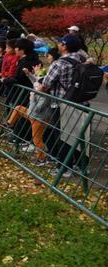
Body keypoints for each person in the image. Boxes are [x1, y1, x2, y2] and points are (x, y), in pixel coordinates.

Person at [38, 34, 86, 177]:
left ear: (64, 46)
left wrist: (38, 85)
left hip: (61, 103)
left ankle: (64, 168)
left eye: (60, 43)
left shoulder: (59, 63)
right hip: (80, 103)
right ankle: (80, 165)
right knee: (78, 135)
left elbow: (46, 85)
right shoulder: (82, 60)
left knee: (62, 136)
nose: (58, 45)